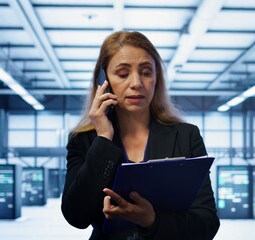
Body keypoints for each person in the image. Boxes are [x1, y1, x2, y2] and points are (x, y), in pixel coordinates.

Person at [61, 31, 220, 240]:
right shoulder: (84, 140)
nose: (136, 83)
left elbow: (207, 223)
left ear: (156, 79)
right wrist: (103, 139)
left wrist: (152, 221)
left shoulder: (186, 136)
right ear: (103, 81)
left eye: (146, 72)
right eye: (123, 73)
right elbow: (76, 216)